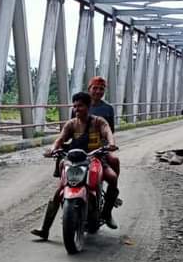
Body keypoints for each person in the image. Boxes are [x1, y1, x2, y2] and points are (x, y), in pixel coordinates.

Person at [31, 91, 119, 240]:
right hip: (75, 160)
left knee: (112, 177)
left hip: (95, 158)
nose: (77, 109)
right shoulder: (71, 124)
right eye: (75, 106)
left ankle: (107, 213)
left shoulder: (98, 121)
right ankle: (45, 229)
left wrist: (111, 144)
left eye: (80, 106)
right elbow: (60, 139)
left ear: (88, 106)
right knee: (59, 189)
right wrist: (53, 149)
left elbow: (108, 132)